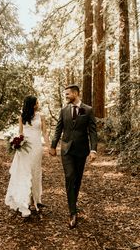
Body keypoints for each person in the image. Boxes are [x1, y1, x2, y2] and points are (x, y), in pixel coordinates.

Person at [49, 84, 97, 229]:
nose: (66, 96)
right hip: (66, 150)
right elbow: (58, 129)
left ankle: (73, 203)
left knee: (77, 179)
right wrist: (53, 145)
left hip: (82, 150)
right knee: (70, 176)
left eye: (68, 94)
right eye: (65, 94)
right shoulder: (64, 110)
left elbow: (92, 132)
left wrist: (93, 150)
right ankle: (72, 212)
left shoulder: (87, 110)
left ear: (76, 94)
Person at [5, 95, 49, 218]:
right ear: (32, 105)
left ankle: (35, 199)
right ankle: (25, 201)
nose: (38, 104)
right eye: (36, 102)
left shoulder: (42, 116)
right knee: (24, 173)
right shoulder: (22, 117)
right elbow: (20, 133)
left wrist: (50, 146)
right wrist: (17, 143)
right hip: (24, 148)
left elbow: (44, 132)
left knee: (35, 172)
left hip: (36, 147)